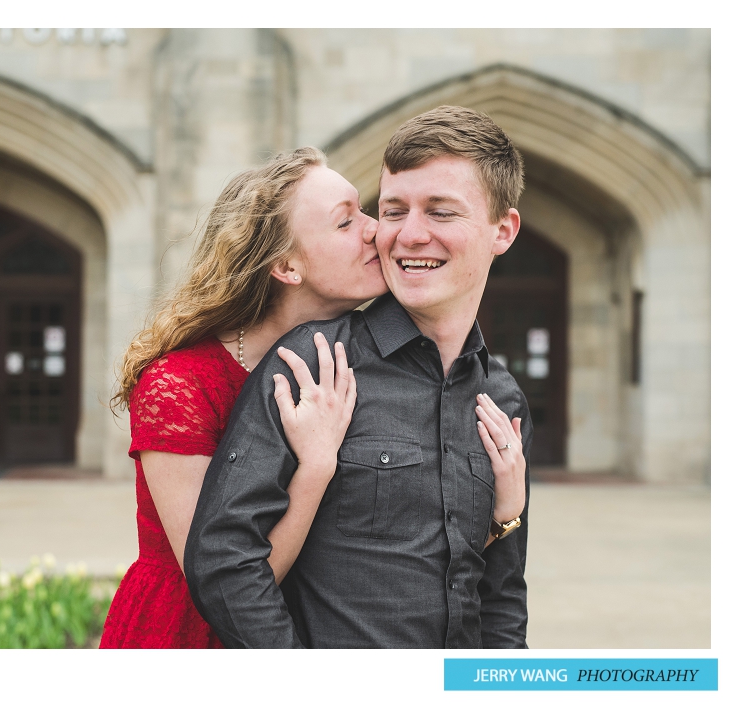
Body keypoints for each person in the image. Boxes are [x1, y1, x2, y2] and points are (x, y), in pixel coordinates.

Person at [186, 106, 533, 648]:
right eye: (394, 211)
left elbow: (503, 594)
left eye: (441, 212)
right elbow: (223, 563)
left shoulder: (502, 397)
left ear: (502, 231)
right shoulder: (313, 363)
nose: (409, 235)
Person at [100, 147, 389, 648]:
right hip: (192, 637)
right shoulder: (178, 386)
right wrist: (315, 466)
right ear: (287, 265)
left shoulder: (349, 365)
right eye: (346, 222)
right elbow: (224, 583)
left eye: (364, 211)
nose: (375, 229)